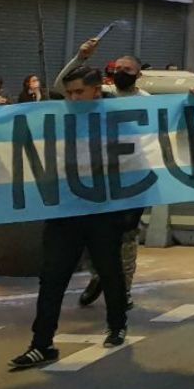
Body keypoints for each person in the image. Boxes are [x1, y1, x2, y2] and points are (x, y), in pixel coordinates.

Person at [8, 67, 137, 369]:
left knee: (109, 271)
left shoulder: (117, 118)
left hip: (103, 213)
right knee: (52, 277)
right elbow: (22, 138)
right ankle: (42, 344)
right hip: (65, 212)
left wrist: (131, 212)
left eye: (79, 92)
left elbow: (136, 162)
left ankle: (117, 325)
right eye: (69, 93)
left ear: (95, 90)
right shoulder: (57, 118)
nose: (73, 97)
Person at [75, 53, 148, 310]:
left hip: (131, 181)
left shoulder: (147, 102)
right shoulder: (100, 94)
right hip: (97, 178)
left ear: (138, 74)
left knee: (127, 238)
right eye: (117, 68)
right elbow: (61, 84)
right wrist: (80, 57)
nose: (121, 72)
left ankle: (122, 290)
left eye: (128, 69)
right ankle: (99, 276)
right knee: (90, 235)